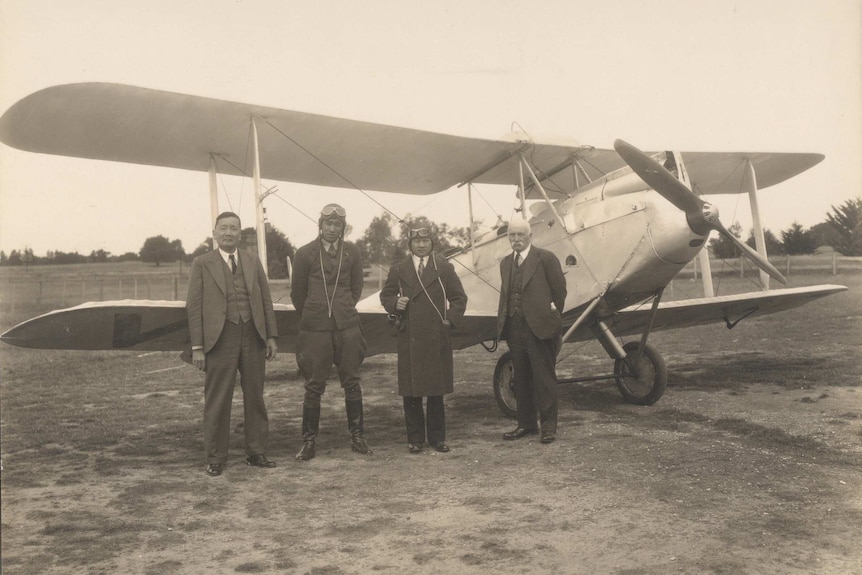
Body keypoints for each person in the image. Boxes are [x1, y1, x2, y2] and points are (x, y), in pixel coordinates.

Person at [186, 211, 279, 476]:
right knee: (218, 399)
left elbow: (265, 300)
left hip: (253, 335)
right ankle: (215, 457)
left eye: (234, 229)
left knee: (255, 396)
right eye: (224, 228)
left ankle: (256, 452)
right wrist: (197, 347)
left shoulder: (252, 260)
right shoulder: (202, 263)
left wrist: (270, 335)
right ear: (214, 232)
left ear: (240, 233)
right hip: (219, 339)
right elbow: (193, 307)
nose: (229, 233)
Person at [291, 203, 372, 460]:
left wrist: (343, 307)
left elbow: (357, 286)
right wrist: (315, 312)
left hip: (347, 326)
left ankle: (358, 437)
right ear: (320, 224)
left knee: (352, 381)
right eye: (328, 224)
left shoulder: (352, 252)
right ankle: (309, 441)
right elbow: (297, 294)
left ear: (342, 228)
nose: (332, 228)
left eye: (337, 224)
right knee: (314, 384)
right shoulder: (304, 253)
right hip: (315, 328)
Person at [380, 227, 468, 454]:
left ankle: (438, 438)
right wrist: (394, 304)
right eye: (416, 241)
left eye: (425, 240)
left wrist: (449, 321)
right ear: (409, 244)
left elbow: (459, 298)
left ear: (432, 243)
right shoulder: (399, 269)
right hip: (409, 336)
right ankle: (415, 438)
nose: (421, 245)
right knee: (412, 390)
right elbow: (386, 295)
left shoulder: (444, 268)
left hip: (436, 335)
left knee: (435, 389)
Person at [496, 217, 567, 444]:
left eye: (520, 235)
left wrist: (550, 317)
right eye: (511, 235)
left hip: (540, 327)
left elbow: (560, 292)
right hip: (514, 327)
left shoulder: (545, 258)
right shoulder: (505, 263)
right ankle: (525, 424)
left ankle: (548, 428)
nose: (516, 239)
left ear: (530, 236)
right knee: (522, 377)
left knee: (544, 378)